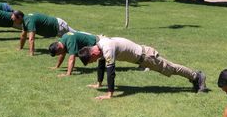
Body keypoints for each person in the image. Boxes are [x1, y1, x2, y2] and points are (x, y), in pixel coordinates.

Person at [76, 37, 207, 100]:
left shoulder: (107, 49)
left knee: (171, 69)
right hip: (142, 58)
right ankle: (194, 78)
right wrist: (99, 84)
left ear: (93, 54)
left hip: (147, 57)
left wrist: (109, 95)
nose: (94, 62)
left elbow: (111, 73)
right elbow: (101, 65)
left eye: (91, 60)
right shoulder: (100, 44)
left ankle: (197, 76)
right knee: (171, 70)